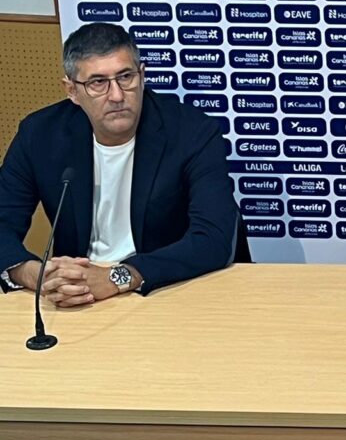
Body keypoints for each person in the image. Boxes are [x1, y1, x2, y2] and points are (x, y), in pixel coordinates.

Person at [0, 22, 241, 305]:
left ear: (142, 75)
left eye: (126, 77)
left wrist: (119, 277)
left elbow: (213, 238)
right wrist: (36, 275)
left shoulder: (192, 132)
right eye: (98, 83)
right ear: (72, 90)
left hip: (167, 287)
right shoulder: (40, 135)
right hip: (78, 294)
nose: (116, 95)